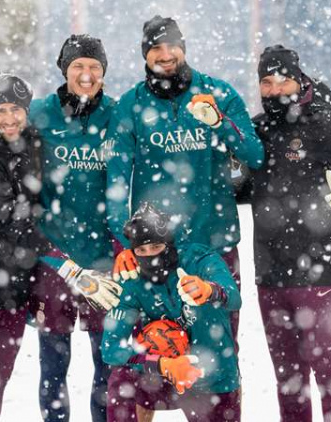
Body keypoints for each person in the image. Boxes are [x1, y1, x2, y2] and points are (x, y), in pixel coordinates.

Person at [0, 70, 121, 422]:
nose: (9, 118)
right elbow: (13, 221)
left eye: (16, 110)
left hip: (15, 282)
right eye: (0, 110)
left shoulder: (29, 140)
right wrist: (67, 265)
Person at [237, 45, 331, 422]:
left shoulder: (327, 126)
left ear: (298, 79)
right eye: (265, 83)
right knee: (288, 380)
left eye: (282, 79)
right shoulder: (258, 129)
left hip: (324, 271)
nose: (274, 89)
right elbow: (242, 190)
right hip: (271, 273)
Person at [104, 15, 264, 354]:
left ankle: (224, 407)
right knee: (151, 348)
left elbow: (254, 154)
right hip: (154, 249)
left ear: (183, 48)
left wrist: (219, 122)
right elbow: (116, 183)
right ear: (144, 54)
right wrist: (126, 241)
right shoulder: (130, 106)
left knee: (222, 351)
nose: (165, 54)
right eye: (156, 48)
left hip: (214, 242)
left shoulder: (218, 93)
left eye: (172, 46)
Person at [26, 34, 117, 422]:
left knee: (107, 361)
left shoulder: (116, 113)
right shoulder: (40, 113)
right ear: (64, 70)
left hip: (103, 258)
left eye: (94, 67)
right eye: (78, 66)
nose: (86, 74)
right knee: (53, 362)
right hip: (54, 258)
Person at [102, 203, 242, 422]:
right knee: (121, 380)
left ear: (168, 243)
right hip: (160, 375)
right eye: (142, 251)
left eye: (156, 247)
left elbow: (234, 298)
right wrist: (161, 364)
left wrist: (209, 290)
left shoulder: (199, 259)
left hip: (211, 374)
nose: (150, 256)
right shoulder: (132, 280)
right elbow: (110, 348)